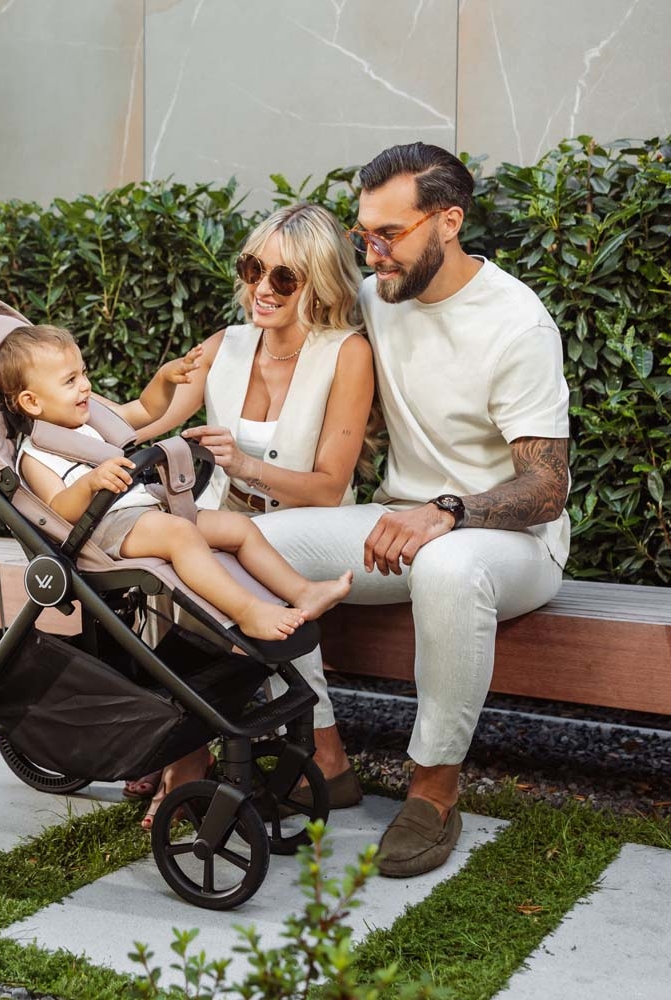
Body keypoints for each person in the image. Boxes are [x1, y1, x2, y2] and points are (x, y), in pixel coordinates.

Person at [253, 142, 571, 877]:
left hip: (511, 541)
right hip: (399, 523)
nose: (373, 253)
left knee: (450, 567)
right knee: (252, 543)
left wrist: (447, 511)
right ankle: (323, 758)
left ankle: (433, 791)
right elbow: (271, 329)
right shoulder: (378, 296)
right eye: (363, 234)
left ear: (449, 222)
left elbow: (546, 487)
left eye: (389, 234)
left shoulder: (516, 323)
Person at [132, 202, 375, 818]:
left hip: (310, 525)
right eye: (252, 269)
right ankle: (188, 747)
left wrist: (243, 465)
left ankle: (194, 754)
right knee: (176, 557)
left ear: (320, 283)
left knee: (232, 563)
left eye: (284, 277)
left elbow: (328, 487)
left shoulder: (346, 354)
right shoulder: (225, 345)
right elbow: (146, 422)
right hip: (226, 526)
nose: (262, 288)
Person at [0, 323, 353, 645]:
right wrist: (89, 484)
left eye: (83, 373)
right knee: (181, 535)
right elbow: (57, 508)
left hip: (145, 509)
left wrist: (164, 379)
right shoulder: (35, 454)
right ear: (31, 402)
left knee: (237, 527)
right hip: (103, 529)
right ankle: (248, 612)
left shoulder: (89, 421)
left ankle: (302, 591)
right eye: (70, 381)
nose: (85, 385)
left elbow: (145, 410)